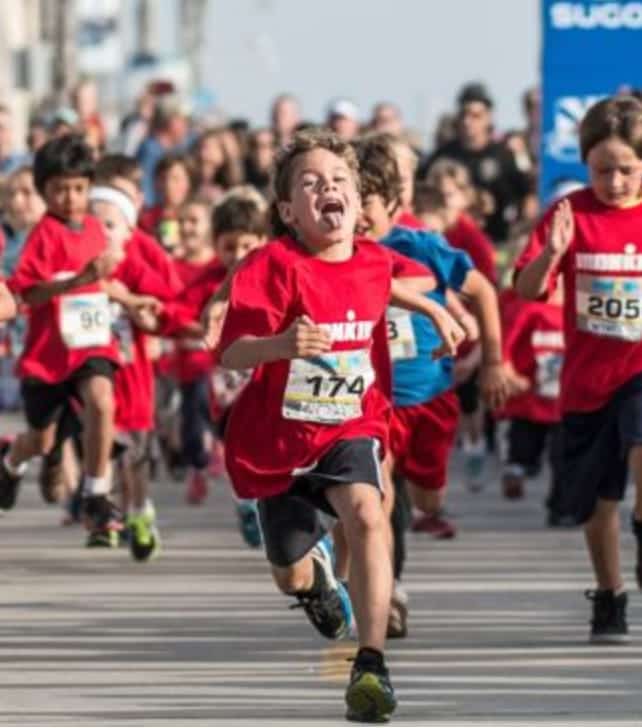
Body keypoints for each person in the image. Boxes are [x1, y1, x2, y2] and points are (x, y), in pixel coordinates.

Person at [217, 129, 464, 723]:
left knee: (368, 512)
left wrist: (435, 309)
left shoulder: (373, 257)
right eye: (311, 183)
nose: (328, 188)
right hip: (279, 442)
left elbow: (384, 283)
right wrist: (281, 344)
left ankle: (371, 663)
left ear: (357, 199)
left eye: (339, 181)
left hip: (350, 424)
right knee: (288, 570)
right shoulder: (272, 265)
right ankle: (315, 582)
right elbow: (232, 353)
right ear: (286, 211)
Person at [515, 95, 642, 643]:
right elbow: (525, 287)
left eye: (628, 170)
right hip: (589, 380)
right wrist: (552, 255)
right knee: (598, 503)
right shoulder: (568, 215)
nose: (614, 182)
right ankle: (609, 596)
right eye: (602, 170)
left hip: (638, 369)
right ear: (585, 164)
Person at [354, 135, 508, 547]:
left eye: (365, 204)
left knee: (428, 497)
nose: (357, 217)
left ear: (391, 202)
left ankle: (411, 502)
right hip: (371, 401)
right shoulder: (340, 253)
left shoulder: (421, 245)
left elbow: (484, 292)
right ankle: (380, 589)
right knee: (373, 496)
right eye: (350, 203)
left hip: (429, 396)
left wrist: (492, 361)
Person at [0, 136, 121, 545]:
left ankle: (96, 490)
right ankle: (12, 461)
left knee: (103, 399)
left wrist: (136, 302)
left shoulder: (94, 228)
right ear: (44, 191)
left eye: (78, 189)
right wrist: (75, 281)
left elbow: (105, 281)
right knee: (41, 439)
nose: (70, 198)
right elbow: (26, 295)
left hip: (91, 344)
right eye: (59, 189)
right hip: (49, 355)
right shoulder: (43, 235)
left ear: (89, 187)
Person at [420, 82, 530, 245]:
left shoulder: (504, 156)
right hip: (449, 242)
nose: (468, 121)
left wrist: (519, 231)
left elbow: (527, 197)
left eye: (475, 115)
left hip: (497, 241)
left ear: (488, 118)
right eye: (464, 115)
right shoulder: (443, 156)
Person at [498, 281, 566, 519]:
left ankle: (560, 508)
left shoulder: (579, 309)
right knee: (525, 450)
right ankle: (516, 469)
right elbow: (506, 341)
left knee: (563, 456)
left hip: (566, 400)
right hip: (530, 397)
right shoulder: (529, 308)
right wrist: (507, 371)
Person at [136, 95, 191, 205]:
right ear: (170, 121)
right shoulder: (150, 150)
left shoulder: (175, 148)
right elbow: (146, 190)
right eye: (183, 120)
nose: (187, 125)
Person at [139, 154, 194, 254]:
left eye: (176, 179)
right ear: (156, 183)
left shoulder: (198, 216)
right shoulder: (147, 219)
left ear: (189, 182)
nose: (169, 185)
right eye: (163, 178)